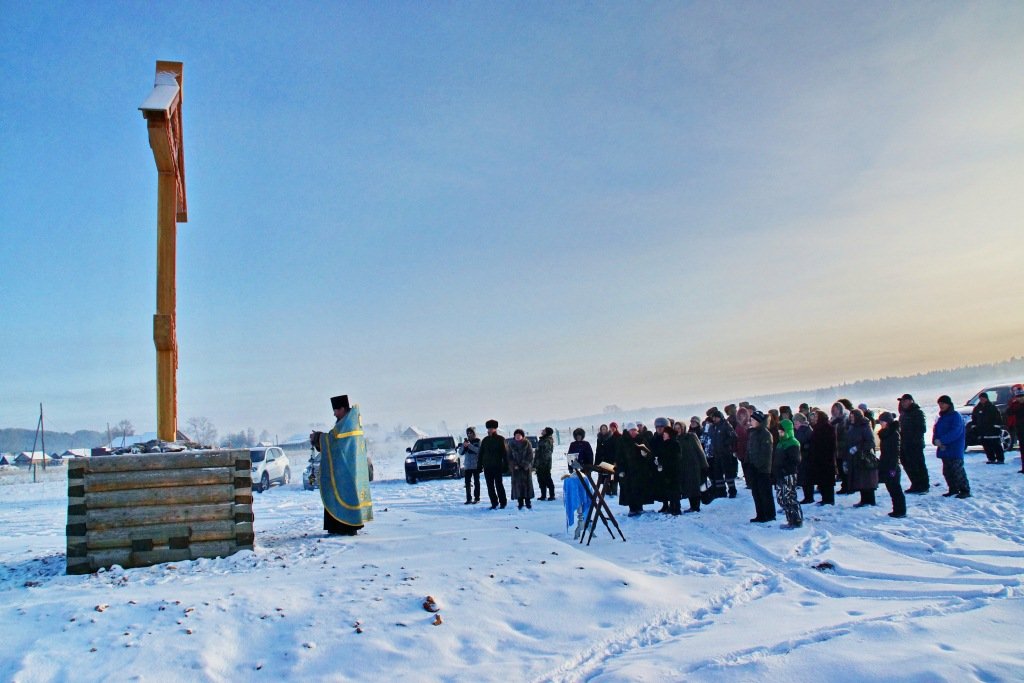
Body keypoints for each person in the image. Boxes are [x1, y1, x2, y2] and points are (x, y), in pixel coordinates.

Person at [309, 394, 373, 536]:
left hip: (346, 471)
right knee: (336, 493)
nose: (334, 413)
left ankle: (344, 527)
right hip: (344, 469)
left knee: (343, 494)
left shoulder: (347, 424)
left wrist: (317, 437)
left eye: (336, 410)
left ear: (343, 409)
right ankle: (337, 526)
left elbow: (333, 441)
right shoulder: (347, 422)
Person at [934, 395, 970, 499]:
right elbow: (936, 431)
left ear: (948, 404)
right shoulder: (941, 417)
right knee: (947, 471)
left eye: (943, 403)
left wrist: (942, 440)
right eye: (939, 404)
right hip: (944, 449)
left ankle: (965, 490)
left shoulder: (956, 416)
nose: (941, 406)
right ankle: (953, 489)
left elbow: (955, 432)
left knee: (957, 470)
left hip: (954, 448)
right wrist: (935, 440)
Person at [617, 423, 653, 517]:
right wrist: (620, 469)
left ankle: (640, 508)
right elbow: (619, 457)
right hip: (628, 470)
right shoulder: (622, 441)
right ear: (628, 431)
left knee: (640, 489)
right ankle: (632, 509)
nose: (633, 432)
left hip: (640, 469)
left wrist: (645, 454)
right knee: (629, 490)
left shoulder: (641, 439)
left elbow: (649, 453)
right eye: (631, 430)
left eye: (635, 430)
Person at [747, 411, 776, 523]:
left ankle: (769, 515)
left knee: (765, 493)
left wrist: (758, 465)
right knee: (756, 493)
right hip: (753, 467)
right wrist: (748, 462)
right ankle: (760, 514)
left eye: (753, 420)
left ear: (759, 421)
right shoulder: (753, 433)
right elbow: (750, 450)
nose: (751, 422)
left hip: (762, 469)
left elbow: (765, 453)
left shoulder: (765, 434)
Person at [774, 419, 803, 529]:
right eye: (779, 432)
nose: (780, 434)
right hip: (780, 475)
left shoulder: (793, 443)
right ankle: (789, 518)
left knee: (789, 496)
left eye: (782, 432)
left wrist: (784, 469)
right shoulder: (780, 444)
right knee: (781, 497)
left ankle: (796, 519)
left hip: (789, 474)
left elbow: (795, 460)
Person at [898, 393, 930, 494]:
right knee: (908, 464)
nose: (903, 403)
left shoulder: (917, 412)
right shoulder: (903, 413)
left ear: (910, 401)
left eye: (905, 401)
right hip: (905, 444)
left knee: (918, 465)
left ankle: (923, 485)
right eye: (902, 401)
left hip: (915, 444)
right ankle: (915, 483)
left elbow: (922, 428)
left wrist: (911, 435)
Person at [847, 409, 879, 508]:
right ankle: (864, 499)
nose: (851, 418)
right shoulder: (852, 427)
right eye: (850, 416)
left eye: (853, 417)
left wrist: (857, 447)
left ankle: (870, 500)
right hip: (856, 457)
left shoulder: (865, 426)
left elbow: (871, 442)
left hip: (865, 457)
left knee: (867, 480)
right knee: (861, 480)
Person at [877, 412, 907, 518]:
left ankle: (901, 510)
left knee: (895, 488)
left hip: (892, 465)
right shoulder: (885, 434)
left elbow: (895, 452)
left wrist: (893, 467)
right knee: (891, 487)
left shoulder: (893, 434)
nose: (880, 423)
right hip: (886, 463)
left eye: (882, 421)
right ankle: (896, 509)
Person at [677, 422, 709, 512]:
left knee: (695, 486)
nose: (678, 430)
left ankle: (696, 506)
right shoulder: (677, 439)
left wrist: (704, 465)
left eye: (679, 428)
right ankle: (692, 506)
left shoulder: (691, 436)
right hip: (684, 466)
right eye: (676, 428)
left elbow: (699, 451)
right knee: (688, 487)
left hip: (694, 465)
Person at [652, 422, 682, 515]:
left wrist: (664, 463)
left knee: (674, 490)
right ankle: (671, 507)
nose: (663, 436)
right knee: (669, 490)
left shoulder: (674, 444)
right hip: (666, 471)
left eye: (665, 434)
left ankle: (676, 508)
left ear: (669, 435)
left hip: (673, 471)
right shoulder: (665, 444)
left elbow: (675, 458)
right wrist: (658, 461)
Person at [810, 409, 837, 505]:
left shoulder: (827, 428)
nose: (815, 419)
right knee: (821, 480)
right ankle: (824, 498)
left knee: (827, 481)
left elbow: (829, 444)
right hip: (819, 458)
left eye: (817, 417)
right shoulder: (817, 428)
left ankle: (829, 499)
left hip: (826, 458)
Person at [479, 420, 508, 509]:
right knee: (490, 486)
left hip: (497, 465)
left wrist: (506, 465)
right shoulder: (485, 440)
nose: (490, 430)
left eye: (492, 428)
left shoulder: (500, 439)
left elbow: (505, 453)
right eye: (489, 428)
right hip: (487, 466)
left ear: (495, 429)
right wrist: (479, 465)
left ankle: (503, 502)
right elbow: (481, 453)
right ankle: (494, 503)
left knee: (499, 485)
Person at [972, 392, 1005, 464]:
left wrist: (996, 427)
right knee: (986, 446)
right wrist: (974, 427)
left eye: (983, 398)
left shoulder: (992, 407)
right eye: (980, 398)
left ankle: (1000, 459)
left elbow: (998, 418)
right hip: (983, 431)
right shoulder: (977, 408)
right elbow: (974, 418)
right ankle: (991, 458)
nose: (982, 400)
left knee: (996, 445)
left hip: (992, 430)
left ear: (986, 398)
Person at [508, 429, 535, 509]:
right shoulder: (511, 444)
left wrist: (524, 464)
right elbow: (509, 456)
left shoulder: (527, 444)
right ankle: (520, 502)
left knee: (527, 485)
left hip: (525, 469)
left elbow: (530, 455)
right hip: (516, 469)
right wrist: (514, 465)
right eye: (516, 435)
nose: (518, 436)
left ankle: (528, 502)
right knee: (517, 486)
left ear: (522, 436)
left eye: (519, 435)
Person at [793, 412, 814, 504]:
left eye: (795, 423)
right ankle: (808, 496)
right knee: (805, 478)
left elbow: (800, 441)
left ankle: (809, 497)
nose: (794, 425)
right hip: (804, 457)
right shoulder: (805, 429)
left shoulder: (804, 430)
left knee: (807, 479)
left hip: (806, 458)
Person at [831, 402, 852, 494]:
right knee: (840, 468)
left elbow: (847, 433)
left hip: (844, 447)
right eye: (833, 410)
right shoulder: (833, 420)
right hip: (837, 447)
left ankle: (849, 486)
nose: (834, 411)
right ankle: (845, 485)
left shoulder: (845, 419)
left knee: (845, 468)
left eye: (836, 409)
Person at [459, 427, 481, 504]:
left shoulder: (477, 441)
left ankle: (477, 498)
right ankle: (468, 499)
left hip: (475, 465)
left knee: (476, 482)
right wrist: (464, 446)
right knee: (467, 483)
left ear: (474, 433)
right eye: (468, 433)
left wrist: (470, 445)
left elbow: (478, 451)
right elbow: (460, 452)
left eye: (470, 433)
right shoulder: (465, 442)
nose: (469, 434)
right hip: (467, 466)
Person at [595, 423, 619, 495]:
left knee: (612, 476)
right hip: (602, 460)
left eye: (605, 429)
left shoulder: (611, 438)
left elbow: (615, 450)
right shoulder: (599, 439)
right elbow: (597, 450)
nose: (603, 430)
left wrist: (615, 460)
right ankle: (607, 491)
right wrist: (596, 462)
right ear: (600, 430)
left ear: (607, 429)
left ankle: (614, 491)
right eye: (602, 429)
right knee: (603, 477)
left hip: (610, 460)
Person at [535, 427, 556, 501]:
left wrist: (543, 463)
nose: (542, 431)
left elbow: (546, 453)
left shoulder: (547, 440)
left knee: (547, 479)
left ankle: (552, 495)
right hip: (539, 463)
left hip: (545, 464)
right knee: (541, 480)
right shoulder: (542, 439)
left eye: (544, 430)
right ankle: (543, 495)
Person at [1009, 385, 1024, 473]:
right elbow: (1009, 412)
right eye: (1018, 397)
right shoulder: (1015, 405)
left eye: (1021, 396)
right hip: (1020, 430)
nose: (1020, 398)